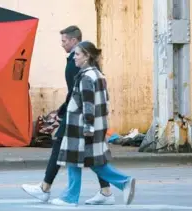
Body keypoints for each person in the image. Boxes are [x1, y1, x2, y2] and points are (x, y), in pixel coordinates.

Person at [21, 26, 115, 205]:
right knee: (87, 154)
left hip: (77, 115)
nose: (62, 44)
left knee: (66, 149)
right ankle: (106, 191)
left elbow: (77, 92)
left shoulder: (77, 63)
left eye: (64, 41)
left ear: (74, 41)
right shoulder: (84, 64)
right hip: (79, 115)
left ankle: (46, 188)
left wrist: (63, 112)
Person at [50, 41, 136, 206]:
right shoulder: (98, 74)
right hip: (97, 125)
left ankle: (71, 197)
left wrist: (88, 128)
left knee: (76, 160)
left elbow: (88, 105)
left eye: (77, 54)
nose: (74, 58)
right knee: (92, 162)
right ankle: (121, 183)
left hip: (82, 126)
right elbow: (105, 101)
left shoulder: (86, 77)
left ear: (87, 56)